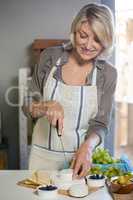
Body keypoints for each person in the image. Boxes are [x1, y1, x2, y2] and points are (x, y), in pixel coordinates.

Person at [23, 3, 117, 179]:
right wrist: (45, 106)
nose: (89, 45)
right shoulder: (50, 57)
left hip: (81, 160)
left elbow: (101, 124)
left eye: (97, 40)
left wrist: (88, 148)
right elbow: (27, 104)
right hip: (43, 158)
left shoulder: (108, 74)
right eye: (83, 35)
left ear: (106, 42)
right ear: (74, 31)